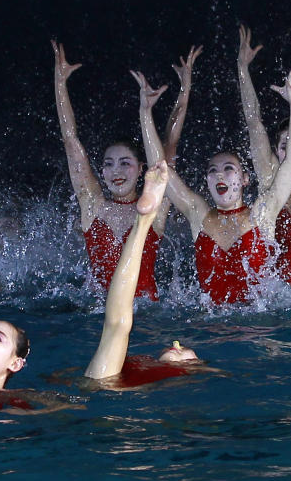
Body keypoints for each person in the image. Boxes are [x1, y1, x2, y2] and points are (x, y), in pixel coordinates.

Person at [136, 65, 291, 304]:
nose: (220, 176)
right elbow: (159, 170)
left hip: (256, 331)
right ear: (207, 181)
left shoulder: (262, 213)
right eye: (213, 171)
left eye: (228, 169)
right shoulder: (198, 215)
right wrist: (145, 113)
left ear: (244, 179)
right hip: (210, 331)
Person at [52, 41, 197, 300]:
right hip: (98, 316)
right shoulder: (92, 204)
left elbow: (169, 146)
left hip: (147, 316)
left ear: (142, 169)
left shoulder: (154, 205)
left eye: (125, 163)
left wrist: (184, 89)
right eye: (108, 164)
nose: (115, 171)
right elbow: (71, 141)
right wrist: (60, 84)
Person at [85, 161, 200, 389]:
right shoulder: (143, 363)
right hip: (106, 385)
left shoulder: (179, 381)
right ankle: (143, 221)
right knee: (116, 326)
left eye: (185, 352)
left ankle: (144, 221)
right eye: (185, 349)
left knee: (117, 325)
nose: (177, 345)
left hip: (104, 387)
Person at [236, 26, 291, 286]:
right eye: (283, 146)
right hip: (273, 294)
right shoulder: (270, 175)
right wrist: (243, 70)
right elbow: (253, 121)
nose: (290, 150)